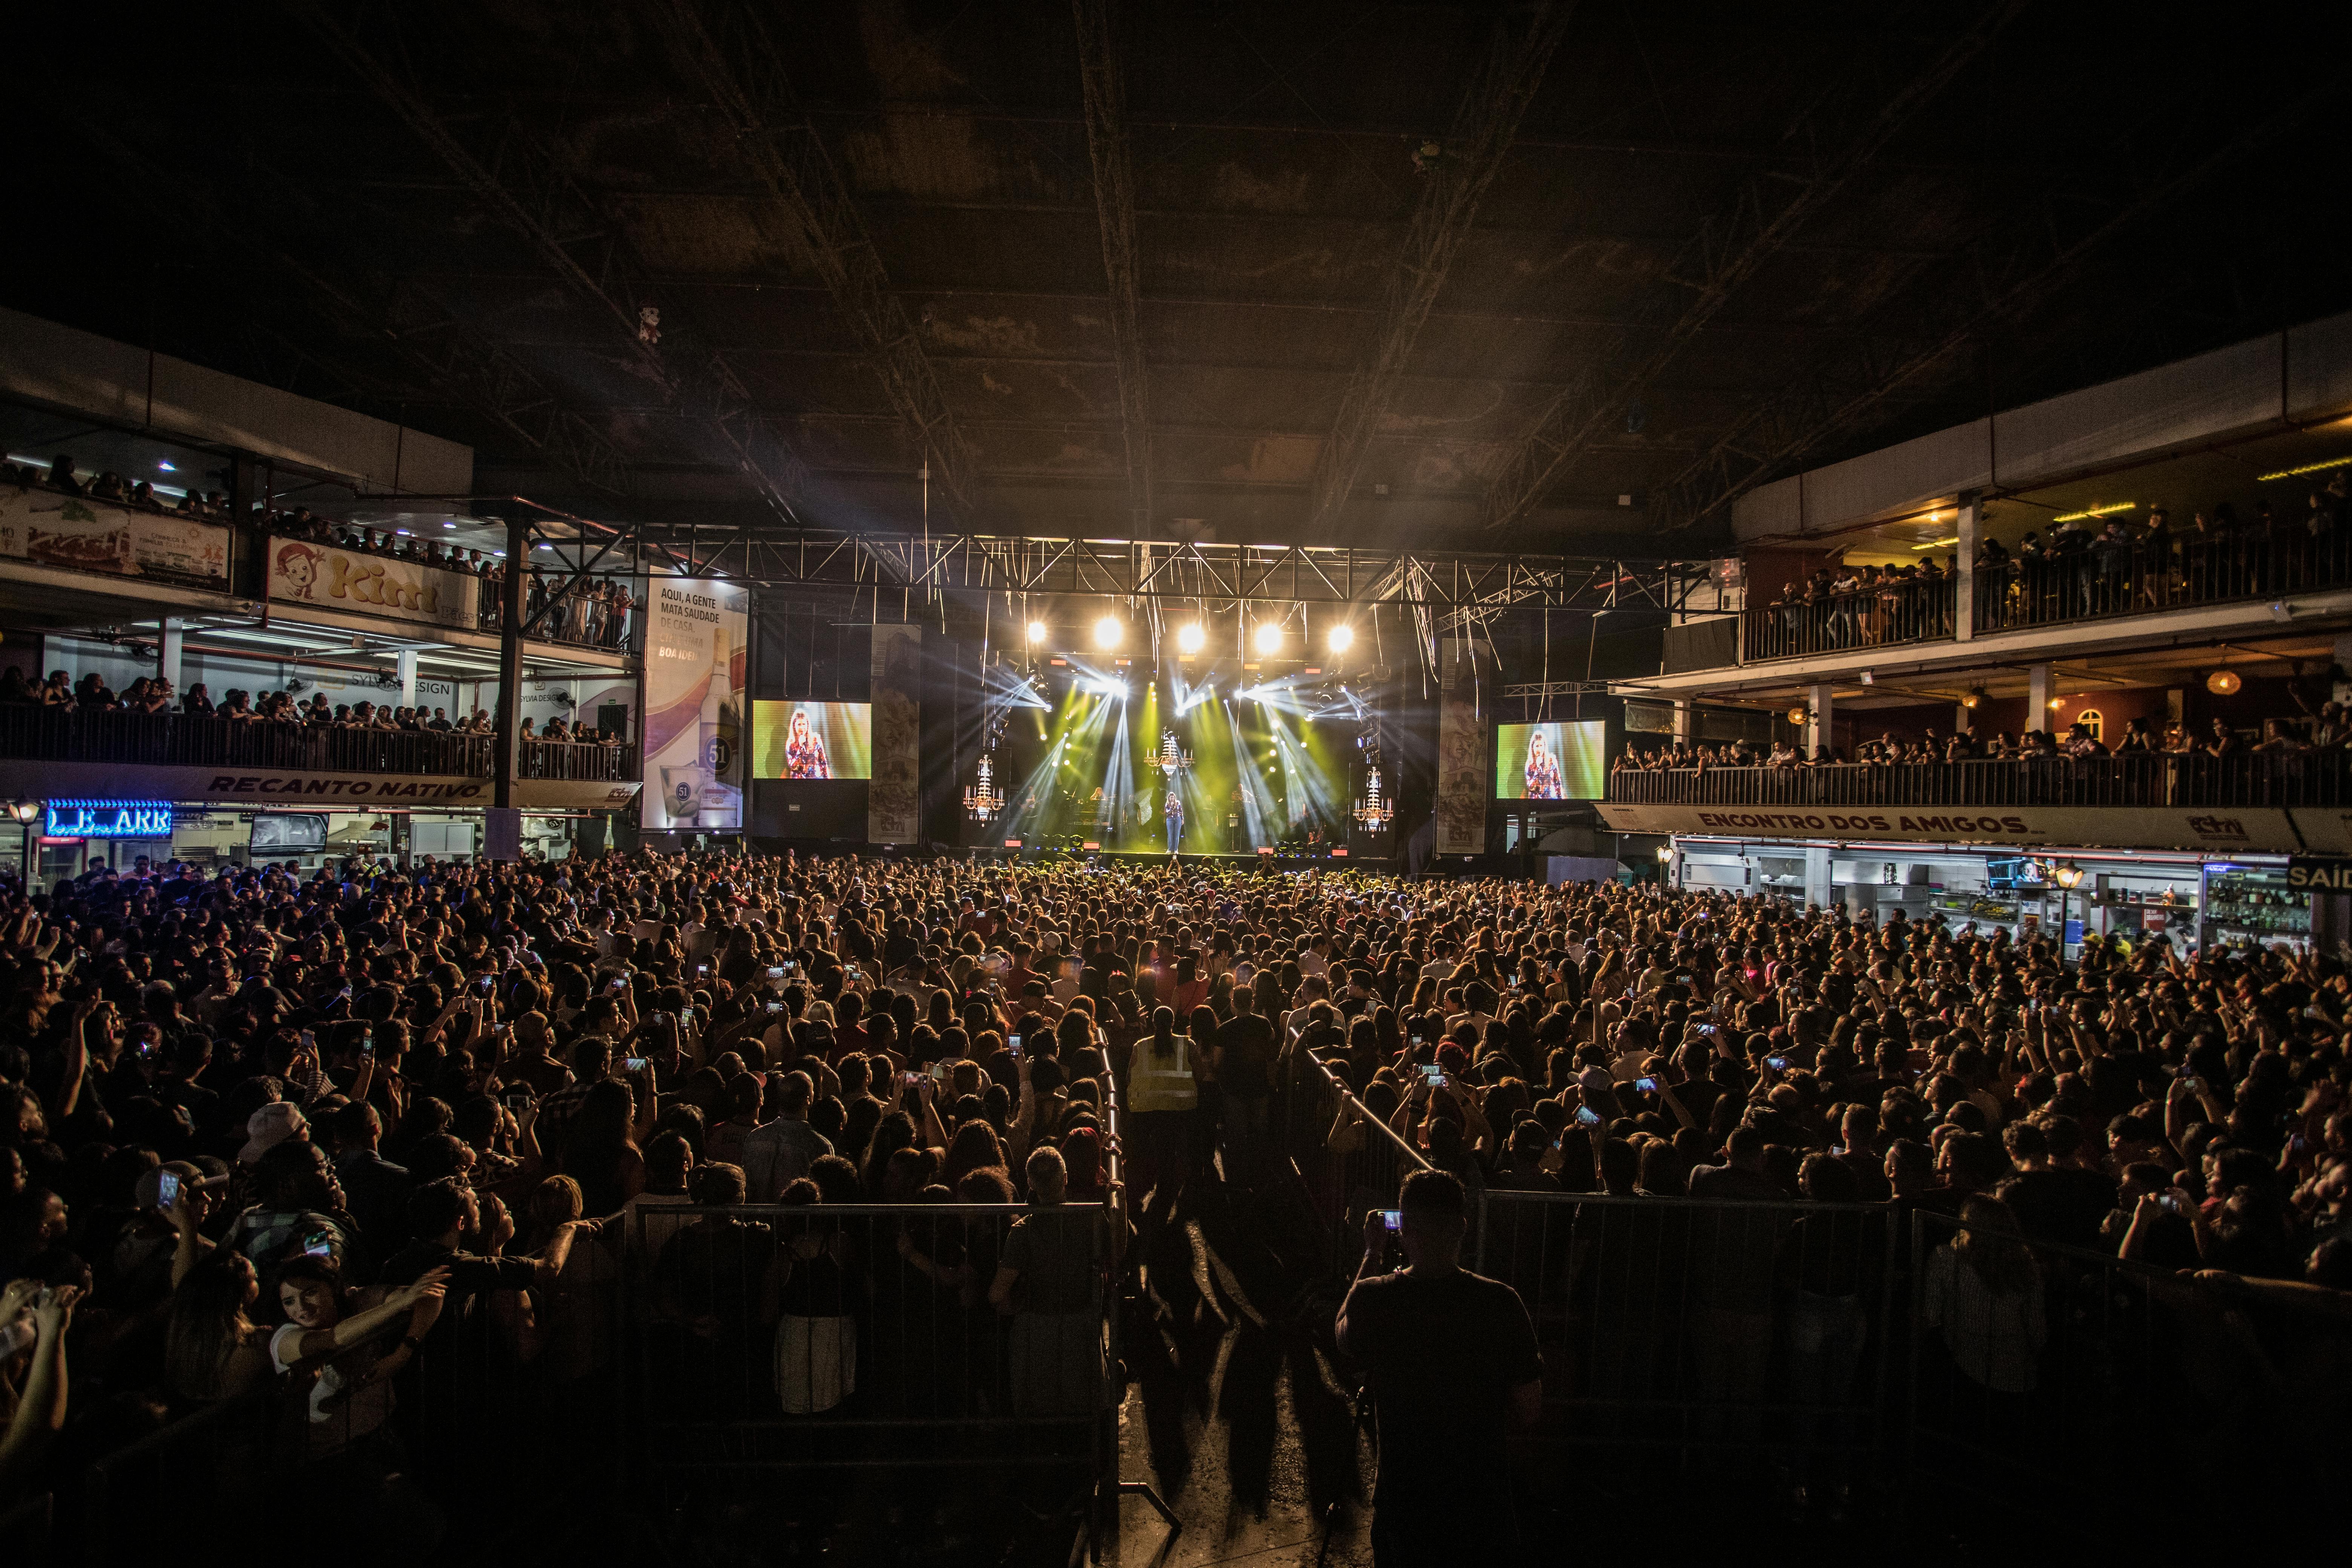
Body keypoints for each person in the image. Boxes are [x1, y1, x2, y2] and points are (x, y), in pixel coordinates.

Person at [1337, 1170, 1542, 1563]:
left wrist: (1372, 1254)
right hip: (1482, 1504)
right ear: (1463, 1227)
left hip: (1405, 1501)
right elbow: (1529, 1408)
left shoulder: (1375, 1297)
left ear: (1404, 1228)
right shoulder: (1502, 1303)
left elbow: (1344, 1336)